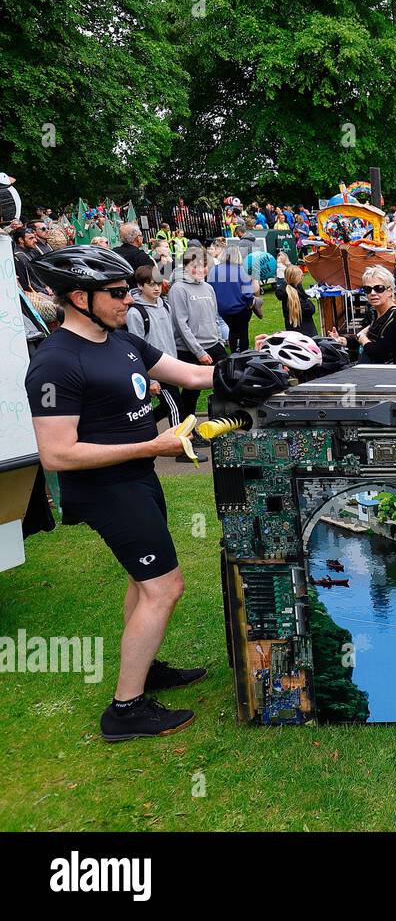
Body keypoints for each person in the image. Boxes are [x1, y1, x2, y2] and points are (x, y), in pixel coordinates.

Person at [23, 246, 213, 741]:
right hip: (107, 489)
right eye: (116, 292)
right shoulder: (54, 363)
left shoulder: (122, 340)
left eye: (128, 289)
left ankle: (144, 669)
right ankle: (125, 710)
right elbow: (56, 455)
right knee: (164, 588)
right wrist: (154, 443)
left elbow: (191, 374)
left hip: (137, 478)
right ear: (78, 296)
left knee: (142, 580)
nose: (128, 298)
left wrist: (264, 365)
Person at [125, 265, 187, 443]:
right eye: (151, 284)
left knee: (169, 405)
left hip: (170, 366)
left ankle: (138, 430)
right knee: (176, 406)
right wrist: (150, 379)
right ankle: (180, 444)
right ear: (140, 286)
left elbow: (170, 337)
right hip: (155, 371)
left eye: (158, 284)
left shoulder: (165, 306)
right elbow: (135, 349)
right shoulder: (136, 312)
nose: (156, 288)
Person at [168, 246, 226, 431]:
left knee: (228, 380)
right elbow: (181, 324)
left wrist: (219, 340)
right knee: (192, 393)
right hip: (190, 349)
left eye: (203, 266)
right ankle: (188, 432)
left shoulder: (208, 287)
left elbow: (215, 316)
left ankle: (222, 424)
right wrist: (199, 352)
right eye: (195, 266)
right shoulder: (178, 289)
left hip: (213, 345)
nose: (200, 270)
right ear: (185, 266)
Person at [331, 266, 396, 364]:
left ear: (390, 291)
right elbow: (364, 338)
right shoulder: (375, 312)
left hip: (393, 374)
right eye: (368, 289)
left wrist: (363, 339)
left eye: (379, 288)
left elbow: (378, 353)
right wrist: (341, 340)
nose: (372, 293)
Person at [208, 247, 254, 352]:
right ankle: (244, 355)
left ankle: (234, 353)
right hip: (241, 308)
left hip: (223, 309)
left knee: (232, 331)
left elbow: (210, 289)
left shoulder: (214, 270)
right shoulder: (241, 270)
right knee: (243, 332)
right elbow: (248, 293)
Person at [276, 264, 317, 337]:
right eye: (301, 275)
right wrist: (307, 300)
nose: (303, 277)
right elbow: (311, 309)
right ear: (296, 278)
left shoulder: (286, 291)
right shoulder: (295, 295)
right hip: (306, 333)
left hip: (292, 332)